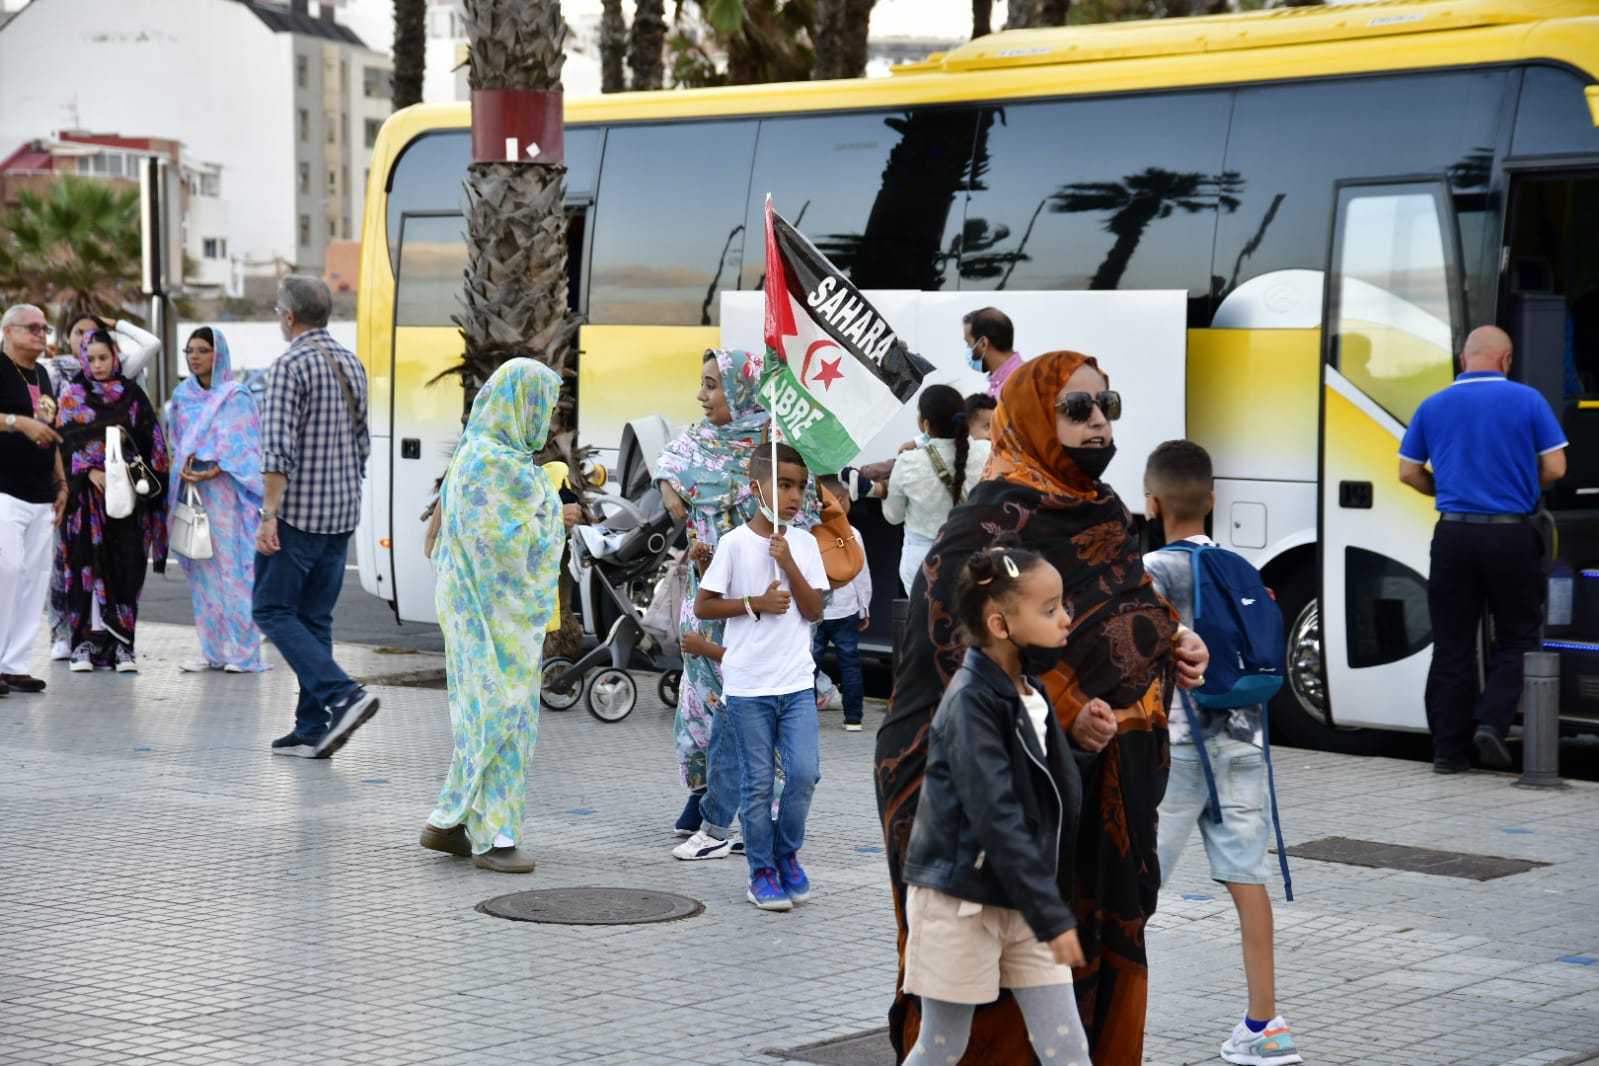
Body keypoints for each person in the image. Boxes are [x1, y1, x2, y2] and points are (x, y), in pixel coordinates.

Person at [877, 351, 1209, 1065]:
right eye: (1077, 409)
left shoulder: (1103, 512)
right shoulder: (984, 530)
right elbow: (951, 661)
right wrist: (1068, 711)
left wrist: (1178, 640)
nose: (1097, 423)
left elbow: (1124, 608)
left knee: (1065, 1032)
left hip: (1083, 813)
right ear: (1031, 417)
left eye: (1106, 406)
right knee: (955, 1035)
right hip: (987, 852)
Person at [901, 540, 1102, 1066]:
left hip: (1024, 897)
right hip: (961, 900)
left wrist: (1078, 747)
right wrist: (1052, 914)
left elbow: (1037, 790)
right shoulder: (971, 700)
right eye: (1050, 609)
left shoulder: (1028, 692)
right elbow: (996, 813)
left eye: (1063, 606)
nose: (1065, 620)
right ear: (999, 626)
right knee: (942, 1047)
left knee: (1066, 1047)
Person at [1144, 440, 1303, 1066]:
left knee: (1134, 886)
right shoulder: (1241, 564)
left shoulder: (1151, 572)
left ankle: (1103, 1013)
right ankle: (1266, 1025)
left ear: (1150, 502)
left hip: (1176, 751)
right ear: (1213, 500)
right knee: (1248, 880)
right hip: (1243, 742)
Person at [1398, 325, 1568, 774]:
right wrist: (1521, 485)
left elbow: (1408, 472)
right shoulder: (1528, 400)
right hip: (1511, 535)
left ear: (1463, 358)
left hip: (1453, 535)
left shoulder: (1432, 405)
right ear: (1507, 359)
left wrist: (1447, 489)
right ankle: (1490, 722)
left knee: (1452, 644)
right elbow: (1556, 466)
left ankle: (1447, 753)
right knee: (1517, 635)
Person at [418, 359, 564, 874]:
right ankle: (497, 839)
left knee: (482, 715)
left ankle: (448, 823)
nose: (545, 419)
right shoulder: (498, 465)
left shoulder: (474, 451)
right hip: (495, 620)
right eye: (542, 406)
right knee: (506, 717)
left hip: (472, 614)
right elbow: (505, 547)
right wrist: (555, 514)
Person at [695, 443, 828, 910]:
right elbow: (703, 605)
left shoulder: (806, 544)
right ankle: (762, 873)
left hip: (794, 683)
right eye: (784, 485)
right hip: (749, 685)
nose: (793, 496)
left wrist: (789, 561)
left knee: (804, 774)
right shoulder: (734, 544)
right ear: (756, 489)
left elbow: (814, 611)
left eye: (800, 487)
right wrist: (756, 604)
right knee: (755, 784)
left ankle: (787, 853)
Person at [255, 275, 378, 759]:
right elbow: (363, 443)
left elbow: (277, 450)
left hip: (297, 517)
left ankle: (343, 694)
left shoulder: (289, 365)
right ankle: (311, 726)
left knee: (270, 609)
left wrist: (269, 516)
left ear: (289, 316)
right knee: (314, 619)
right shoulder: (351, 362)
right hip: (342, 513)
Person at [656, 349, 768, 842]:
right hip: (703, 597)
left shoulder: (771, 448)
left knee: (746, 699)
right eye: (702, 384)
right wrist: (670, 490)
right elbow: (669, 467)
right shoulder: (696, 441)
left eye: (712, 386)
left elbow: (796, 516)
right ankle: (700, 794)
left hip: (753, 599)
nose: (701, 396)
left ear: (740, 392)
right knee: (698, 700)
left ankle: (749, 806)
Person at [56, 330, 170, 673]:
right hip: (84, 503)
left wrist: (127, 439)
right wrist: (88, 473)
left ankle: (122, 647)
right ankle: (83, 647)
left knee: (125, 567)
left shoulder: (132, 395)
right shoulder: (72, 396)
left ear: (115, 357)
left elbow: (154, 441)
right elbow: (62, 445)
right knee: (83, 567)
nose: (98, 364)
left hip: (125, 501)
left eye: (104, 357)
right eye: (90, 359)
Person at [166, 327, 267, 673]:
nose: (194, 357)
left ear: (218, 353)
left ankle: (243, 652)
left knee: (233, 572)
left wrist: (215, 468)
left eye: (203, 350)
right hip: (194, 493)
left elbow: (247, 447)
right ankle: (214, 651)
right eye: (189, 351)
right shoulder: (182, 395)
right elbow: (177, 441)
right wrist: (187, 466)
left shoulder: (236, 396)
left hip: (227, 493)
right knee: (202, 574)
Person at [0, 303, 67, 697]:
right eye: (33, 328)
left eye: (45, 328)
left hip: (41, 491)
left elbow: (49, 430)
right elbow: (27, 425)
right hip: (4, 488)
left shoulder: (42, 374)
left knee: (33, 578)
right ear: (8, 331)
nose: (42, 334)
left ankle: (16, 665)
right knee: (6, 570)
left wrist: (61, 484)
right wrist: (15, 422)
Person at [880, 384, 991, 594]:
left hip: (922, 564)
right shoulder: (986, 452)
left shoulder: (908, 462)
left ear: (926, 424)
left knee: (926, 624)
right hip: (974, 558)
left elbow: (893, 516)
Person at [812, 474, 871, 730]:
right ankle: (854, 719)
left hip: (815, 610)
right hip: (846, 609)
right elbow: (861, 574)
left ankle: (800, 713)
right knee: (850, 663)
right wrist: (864, 607)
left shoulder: (811, 532)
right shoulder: (852, 534)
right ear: (838, 500)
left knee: (809, 664)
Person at [964, 307, 1023, 399]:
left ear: (983, 343)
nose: (968, 348)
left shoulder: (1021, 383)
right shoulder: (996, 386)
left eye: (968, 343)